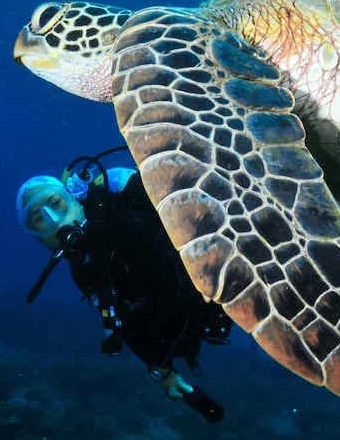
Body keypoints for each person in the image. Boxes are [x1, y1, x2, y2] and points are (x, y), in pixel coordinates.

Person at [16, 147, 232, 423]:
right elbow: (120, 319)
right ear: (39, 239)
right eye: (38, 220)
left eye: (56, 204)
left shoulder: (120, 205)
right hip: (204, 318)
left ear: (74, 197)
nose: (53, 220)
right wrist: (161, 370)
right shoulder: (84, 269)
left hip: (228, 269)